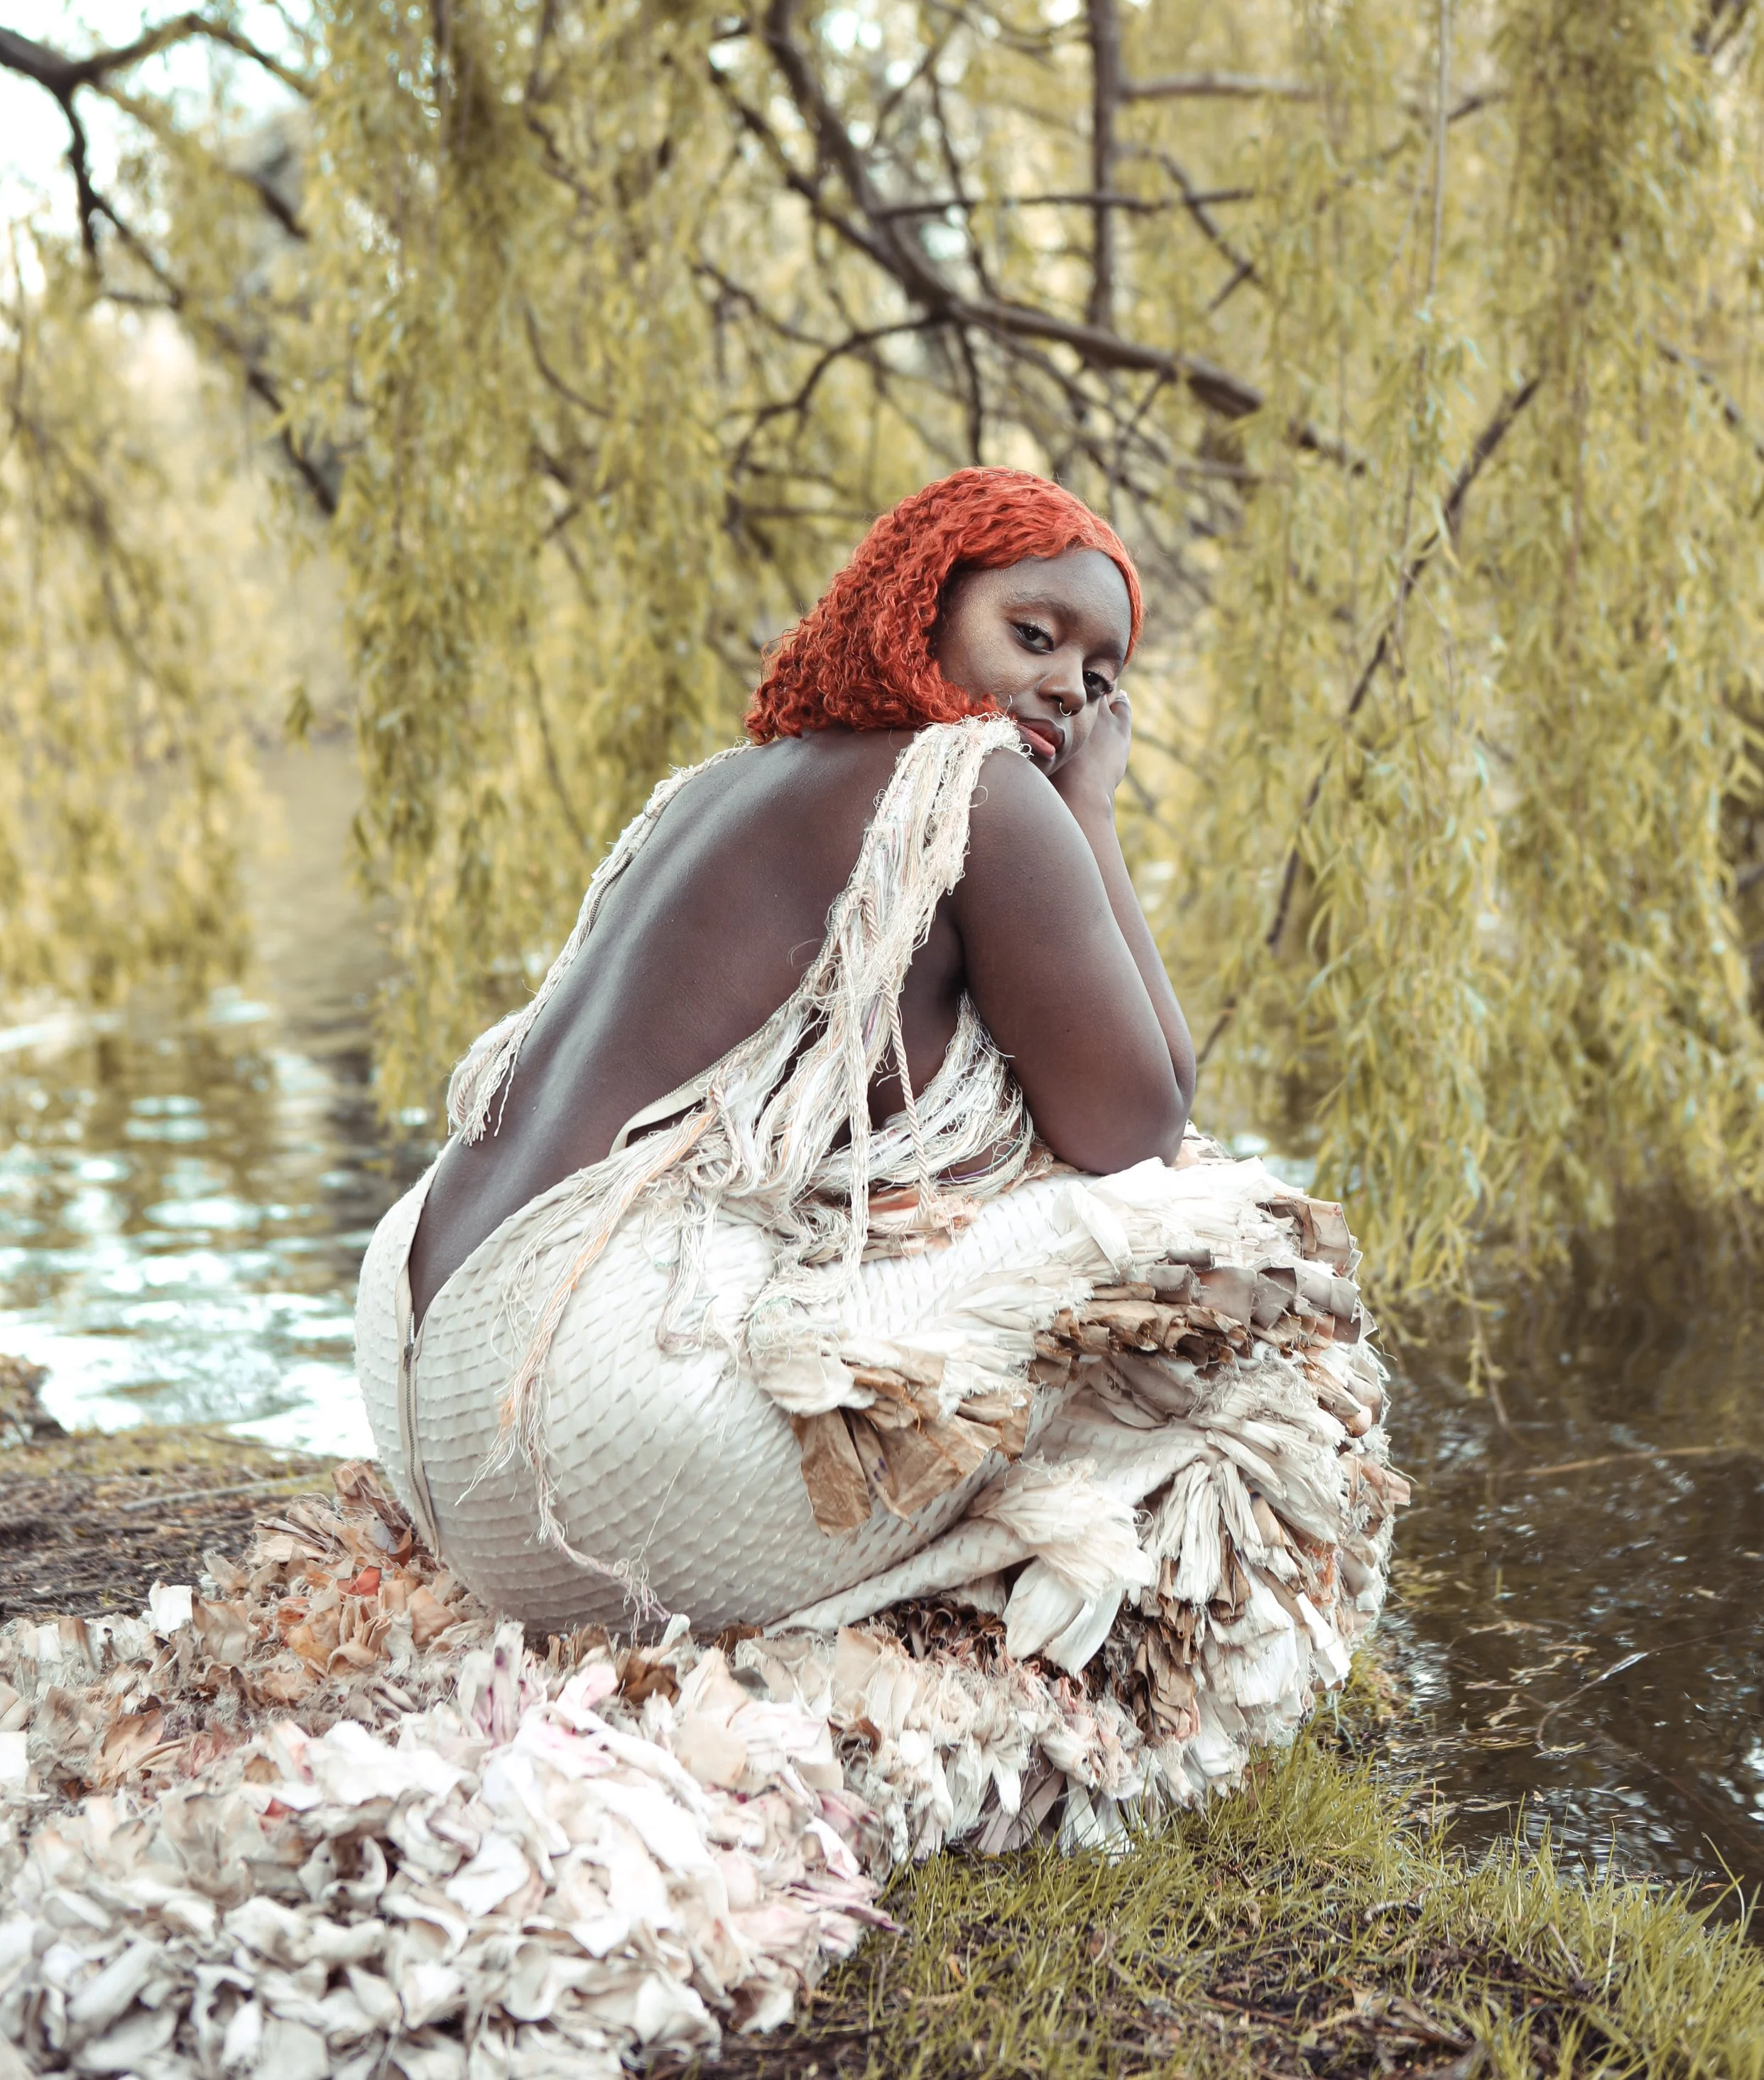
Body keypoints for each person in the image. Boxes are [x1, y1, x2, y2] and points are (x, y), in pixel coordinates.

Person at [355, 470, 1401, 1804]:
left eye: (1101, 669)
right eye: (1034, 636)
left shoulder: (715, 786)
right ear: (922, 606)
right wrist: (1091, 813)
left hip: (435, 1391)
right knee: (1227, 1236)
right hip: (593, 1445)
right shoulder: (975, 788)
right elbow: (1142, 1125)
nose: (1072, 690)